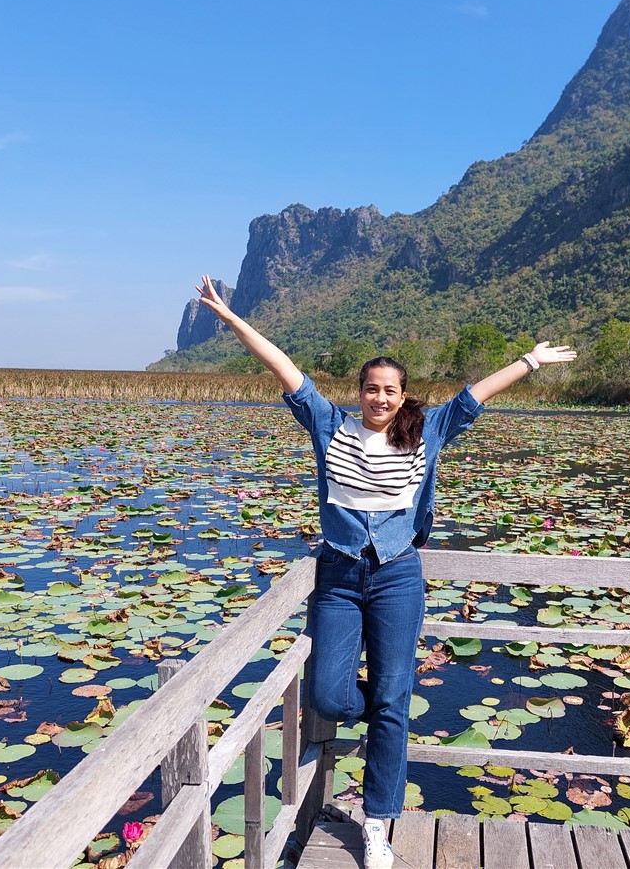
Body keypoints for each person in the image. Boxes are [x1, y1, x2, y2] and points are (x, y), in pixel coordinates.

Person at [197, 276, 577, 869]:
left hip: (398, 576)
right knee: (327, 694)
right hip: (340, 578)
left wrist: (530, 360)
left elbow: (476, 395)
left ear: (404, 396)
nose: (379, 398)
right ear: (360, 392)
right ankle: (390, 704)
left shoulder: (426, 432)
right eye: (371, 389)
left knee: (393, 703)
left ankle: (377, 825)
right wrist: (232, 319)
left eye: (390, 391)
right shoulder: (329, 427)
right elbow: (283, 367)